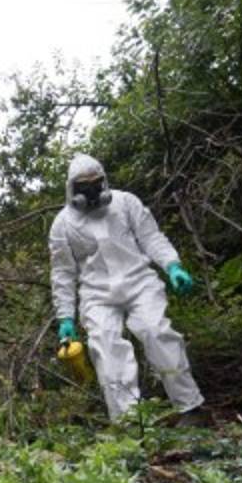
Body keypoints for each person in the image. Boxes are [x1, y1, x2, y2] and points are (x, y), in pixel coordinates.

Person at [48, 154, 205, 422]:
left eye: (95, 183)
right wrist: (65, 316)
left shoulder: (125, 203)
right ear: (72, 188)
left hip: (139, 282)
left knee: (157, 332)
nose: (91, 190)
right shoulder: (63, 224)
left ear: (104, 181)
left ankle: (190, 407)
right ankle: (129, 422)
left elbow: (151, 237)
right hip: (97, 294)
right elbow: (63, 273)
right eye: (83, 186)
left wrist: (172, 265)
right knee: (107, 349)